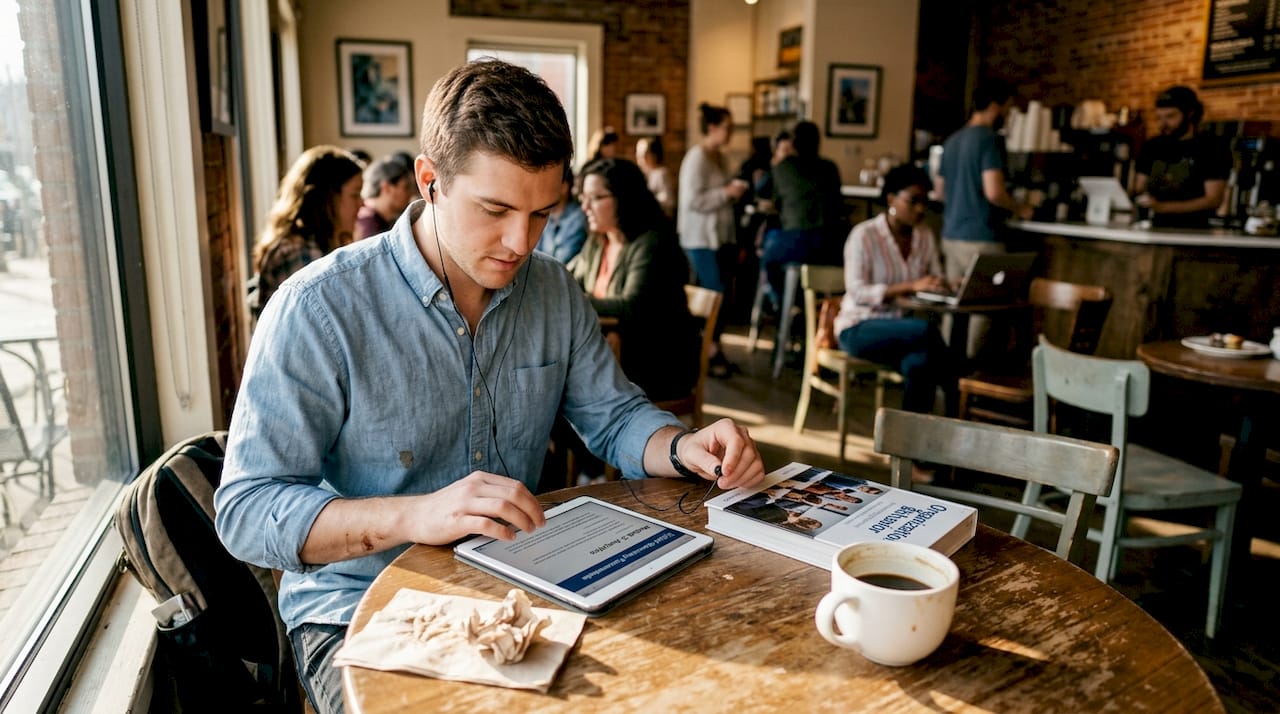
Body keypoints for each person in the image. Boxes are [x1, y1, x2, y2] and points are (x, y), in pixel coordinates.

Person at [215, 59, 764, 714]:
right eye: (496, 209)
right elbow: (246, 512)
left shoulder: (554, 290)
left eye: (542, 215)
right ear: (430, 181)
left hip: (520, 590)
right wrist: (417, 515)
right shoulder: (318, 308)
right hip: (357, 609)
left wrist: (684, 446)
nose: (518, 243)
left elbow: (615, 419)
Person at [568, 158, 700, 401]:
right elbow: (567, 280)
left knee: (562, 388)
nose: (585, 206)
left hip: (658, 362)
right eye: (583, 197)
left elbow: (631, 307)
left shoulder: (651, 242)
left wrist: (570, 300)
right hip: (615, 356)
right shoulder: (599, 240)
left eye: (596, 198)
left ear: (624, 198)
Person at [834, 164, 954, 418]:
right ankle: (956, 396)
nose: (920, 209)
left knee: (921, 363)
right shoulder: (864, 235)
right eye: (913, 201)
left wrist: (946, 284)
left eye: (924, 202)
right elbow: (856, 291)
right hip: (859, 328)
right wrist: (910, 286)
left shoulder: (924, 236)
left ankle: (910, 450)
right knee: (927, 333)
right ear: (890, 198)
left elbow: (934, 277)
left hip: (903, 332)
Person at [935, 79, 1034, 359]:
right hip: (981, 237)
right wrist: (1020, 208)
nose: (1008, 115)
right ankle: (969, 378)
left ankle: (948, 382)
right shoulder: (989, 140)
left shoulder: (952, 140)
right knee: (982, 315)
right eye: (1007, 109)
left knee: (954, 311)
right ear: (995, 107)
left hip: (951, 235)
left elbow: (940, 191)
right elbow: (994, 192)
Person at [249, 145, 364, 317]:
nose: (362, 204)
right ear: (327, 198)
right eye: (355, 195)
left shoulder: (319, 245)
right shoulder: (298, 254)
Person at [678, 103, 749, 377]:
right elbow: (694, 200)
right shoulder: (697, 157)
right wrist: (726, 193)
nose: (730, 133)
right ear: (712, 128)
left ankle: (713, 347)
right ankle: (707, 351)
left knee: (723, 296)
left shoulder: (720, 156)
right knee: (713, 294)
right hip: (700, 238)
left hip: (720, 237)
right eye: (727, 128)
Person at [756, 120, 846, 310]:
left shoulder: (785, 167)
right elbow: (838, 204)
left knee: (768, 256)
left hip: (795, 242)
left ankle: (782, 304)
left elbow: (761, 190)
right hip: (831, 245)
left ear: (794, 143)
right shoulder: (830, 168)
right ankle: (806, 308)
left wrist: (775, 163)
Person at [1133, 85, 1231, 229]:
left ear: (1190, 113)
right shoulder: (1152, 146)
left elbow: (1213, 200)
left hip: (1195, 232)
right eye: (1159, 117)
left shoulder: (1212, 147)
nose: (1163, 124)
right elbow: (1139, 187)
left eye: (1170, 116)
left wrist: (1163, 207)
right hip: (1153, 228)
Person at [534, 164, 588, 263]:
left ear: (564, 188)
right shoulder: (544, 215)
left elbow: (562, 260)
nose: (541, 189)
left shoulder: (578, 218)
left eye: (547, 184)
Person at [354, 154, 415, 240]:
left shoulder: (384, 220)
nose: (411, 194)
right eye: (406, 187)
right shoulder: (369, 224)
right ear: (387, 188)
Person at [635, 136, 675, 219]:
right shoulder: (641, 174)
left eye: (645, 153)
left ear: (654, 154)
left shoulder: (662, 173)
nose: (641, 157)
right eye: (639, 154)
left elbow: (668, 201)